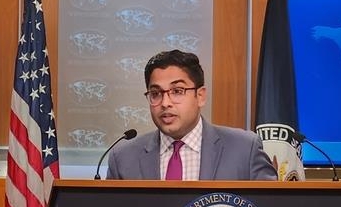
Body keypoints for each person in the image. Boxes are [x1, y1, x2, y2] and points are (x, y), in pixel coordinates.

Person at [106, 49, 277, 180]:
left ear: (200, 96)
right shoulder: (122, 158)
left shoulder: (244, 149)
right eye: (156, 93)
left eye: (177, 91)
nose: (165, 102)